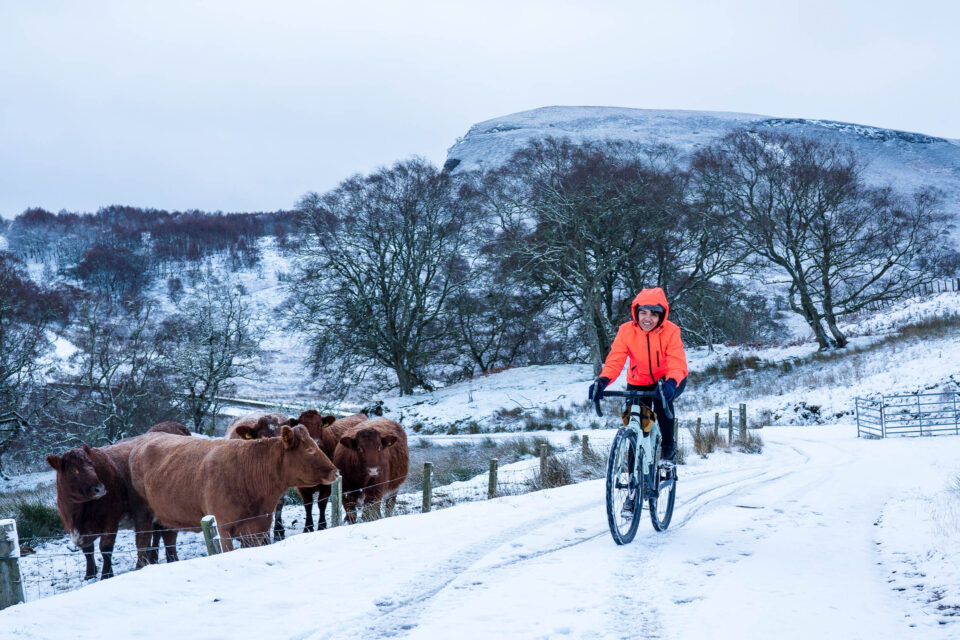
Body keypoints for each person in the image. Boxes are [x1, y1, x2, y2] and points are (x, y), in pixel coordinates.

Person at [591, 287, 689, 463]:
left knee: (661, 401)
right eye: (643, 312)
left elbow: (676, 361)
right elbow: (615, 360)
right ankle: (634, 474)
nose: (647, 318)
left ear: (661, 316)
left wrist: (671, 383)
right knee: (638, 421)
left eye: (653, 314)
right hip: (639, 380)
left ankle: (667, 448)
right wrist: (603, 381)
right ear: (636, 312)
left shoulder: (671, 331)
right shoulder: (626, 331)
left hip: (669, 380)